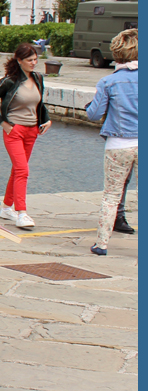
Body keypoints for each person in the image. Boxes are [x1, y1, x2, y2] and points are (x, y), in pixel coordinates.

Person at [0, 42, 52, 228]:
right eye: (30, 60)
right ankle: (22, 213)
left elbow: (39, 103)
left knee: (18, 170)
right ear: (19, 61)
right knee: (23, 170)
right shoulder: (10, 81)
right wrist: (3, 123)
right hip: (14, 131)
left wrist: (47, 119)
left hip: (32, 131)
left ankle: (6, 208)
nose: (34, 63)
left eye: (36, 59)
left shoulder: (38, 78)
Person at [85, 29, 138, 255]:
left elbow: (94, 114)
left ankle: (102, 244)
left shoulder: (109, 82)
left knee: (111, 196)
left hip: (118, 144)